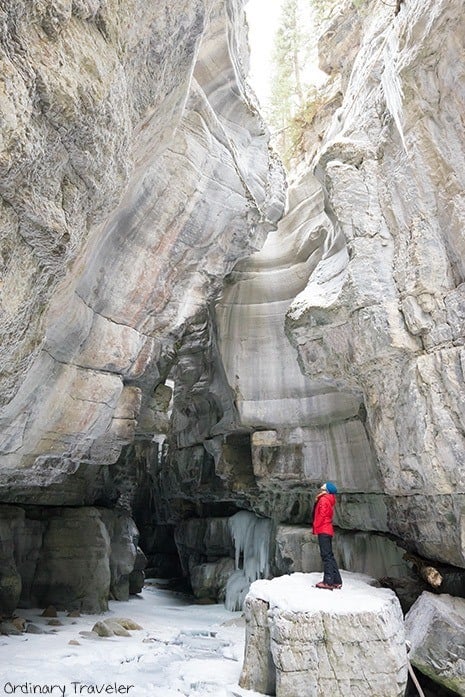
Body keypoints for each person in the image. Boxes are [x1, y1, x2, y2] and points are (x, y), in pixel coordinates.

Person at [312, 481, 343, 590]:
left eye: (323, 488)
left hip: (323, 530)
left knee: (326, 556)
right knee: (329, 556)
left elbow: (321, 515)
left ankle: (328, 581)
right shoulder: (329, 499)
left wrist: (315, 526)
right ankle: (337, 580)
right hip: (327, 529)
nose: (321, 489)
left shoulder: (323, 500)